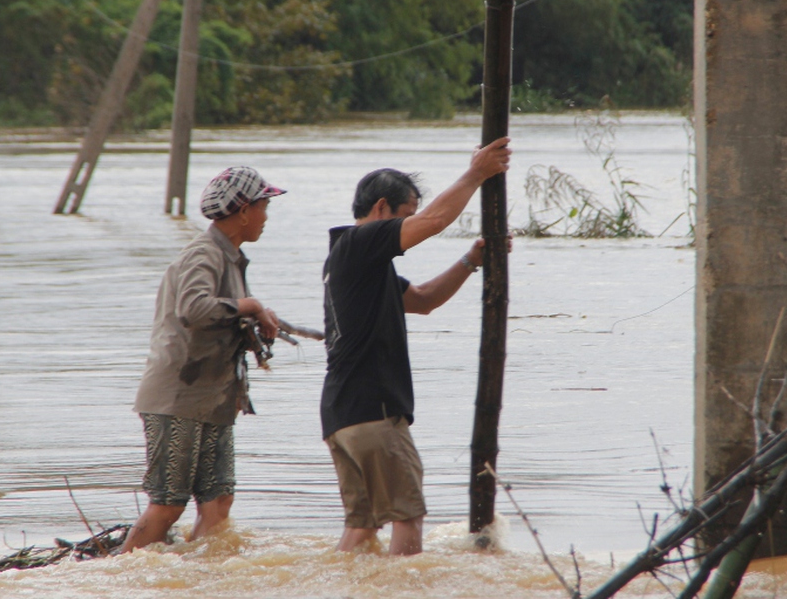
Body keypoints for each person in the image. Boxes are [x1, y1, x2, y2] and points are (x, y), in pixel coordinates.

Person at [320, 137, 512, 556]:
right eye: (404, 216)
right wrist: (478, 172)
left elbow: (423, 300)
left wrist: (470, 260)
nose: (407, 225)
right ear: (382, 209)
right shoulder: (362, 242)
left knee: (362, 529)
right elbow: (436, 220)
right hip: (374, 410)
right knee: (407, 516)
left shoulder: (355, 260)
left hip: (343, 415)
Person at [121, 167, 285, 553]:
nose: (266, 215)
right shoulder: (204, 253)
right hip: (177, 399)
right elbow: (194, 309)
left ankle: (202, 582)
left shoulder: (231, 258)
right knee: (168, 504)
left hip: (212, 399)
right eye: (264, 206)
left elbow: (218, 317)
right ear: (243, 211)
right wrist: (252, 304)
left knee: (218, 503)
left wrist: (255, 322)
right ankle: (113, 580)